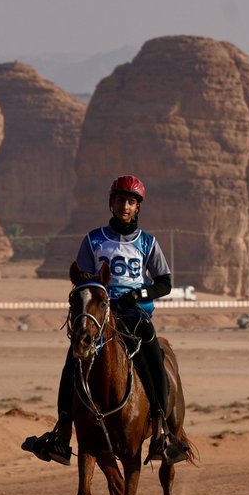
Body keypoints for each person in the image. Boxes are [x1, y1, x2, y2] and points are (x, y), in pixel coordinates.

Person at [23, 175, 191, 465]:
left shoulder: (148, 243)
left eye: (131, 201)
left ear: (137, 208)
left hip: (135, 315)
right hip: (101, 315)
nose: (125, 205)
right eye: (120, 200)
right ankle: (61, 432)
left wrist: (137, 295)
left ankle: (162, 431)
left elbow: (164, 282)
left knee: (154, 360)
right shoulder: (93, 239)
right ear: (111, 203)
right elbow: (83, 280)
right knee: (72, 361)